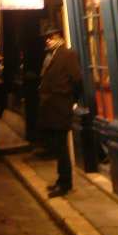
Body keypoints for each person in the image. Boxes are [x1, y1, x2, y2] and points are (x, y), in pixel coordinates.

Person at [38, 25, 82, 197]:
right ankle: (61, 180)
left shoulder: (67, 54)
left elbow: (77, 80)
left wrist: (73, 101)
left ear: (60, 37)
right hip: (52, 107)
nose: (47, 40)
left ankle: (65, 184)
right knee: (57, 146)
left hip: (61, 106)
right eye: (46, 37)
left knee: (62, 148)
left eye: (51, 36)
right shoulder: (51, 56)